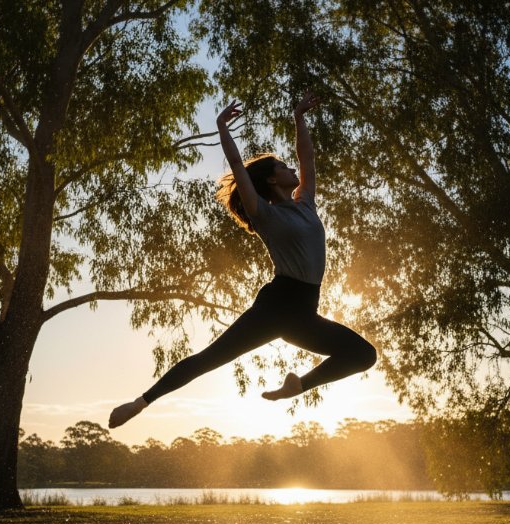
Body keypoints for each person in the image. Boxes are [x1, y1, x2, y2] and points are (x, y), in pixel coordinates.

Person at [108, 91, 376, 429]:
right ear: (270, 179)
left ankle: (298, 386)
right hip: (276, 307)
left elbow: (306, 159)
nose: (291, 168)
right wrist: (222, 127)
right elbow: (238, 167)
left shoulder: (305, 203)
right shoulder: (264, 213)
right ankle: (140, 402)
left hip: (304, 313)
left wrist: (299, 118)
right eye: (283, 166)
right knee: (211, 359)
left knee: (364, 355)